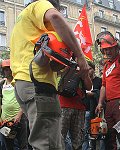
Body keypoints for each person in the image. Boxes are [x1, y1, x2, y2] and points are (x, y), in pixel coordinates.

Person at [9, 0, 89, 149]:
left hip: (24, 83)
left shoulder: (22, 21)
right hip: (38, 84)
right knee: (47, 144)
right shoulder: (41, 4)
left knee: (51, 141)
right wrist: (79, 55)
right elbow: (55, 17)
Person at [95, 31, 120, 150]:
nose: (107, 52)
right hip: (110, 105)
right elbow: (104, 86)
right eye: (105, 50)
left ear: (115, 47)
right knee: (109, 136)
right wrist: (100, 103)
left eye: (109, 49)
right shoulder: (106, 65)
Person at [59, 64, 92, 150]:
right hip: (63, 105)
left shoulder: (83, 68)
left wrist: (84, 73)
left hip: (79, 107)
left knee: (78, 141)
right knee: (60, 138)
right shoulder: (64, 63)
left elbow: (89, 86)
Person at [0, 59, 30, 150]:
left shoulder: (19, 83)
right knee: (8, 145)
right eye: (5, 69)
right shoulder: (2, 84)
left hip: (20, 119)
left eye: (8, 69)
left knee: (23, 144)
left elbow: (24, 100)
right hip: (5, 120)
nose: (6, 71)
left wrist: (19, 115)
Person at [82, 61, 104, 150]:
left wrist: (94, 94)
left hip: (96, 112)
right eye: (86, 68)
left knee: (98, 134)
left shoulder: (99, 81)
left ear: (94, 69)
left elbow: (102, 93)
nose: (88, 70)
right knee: (85, 134)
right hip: (85, 110)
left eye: (90, 68)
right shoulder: (83, 81)